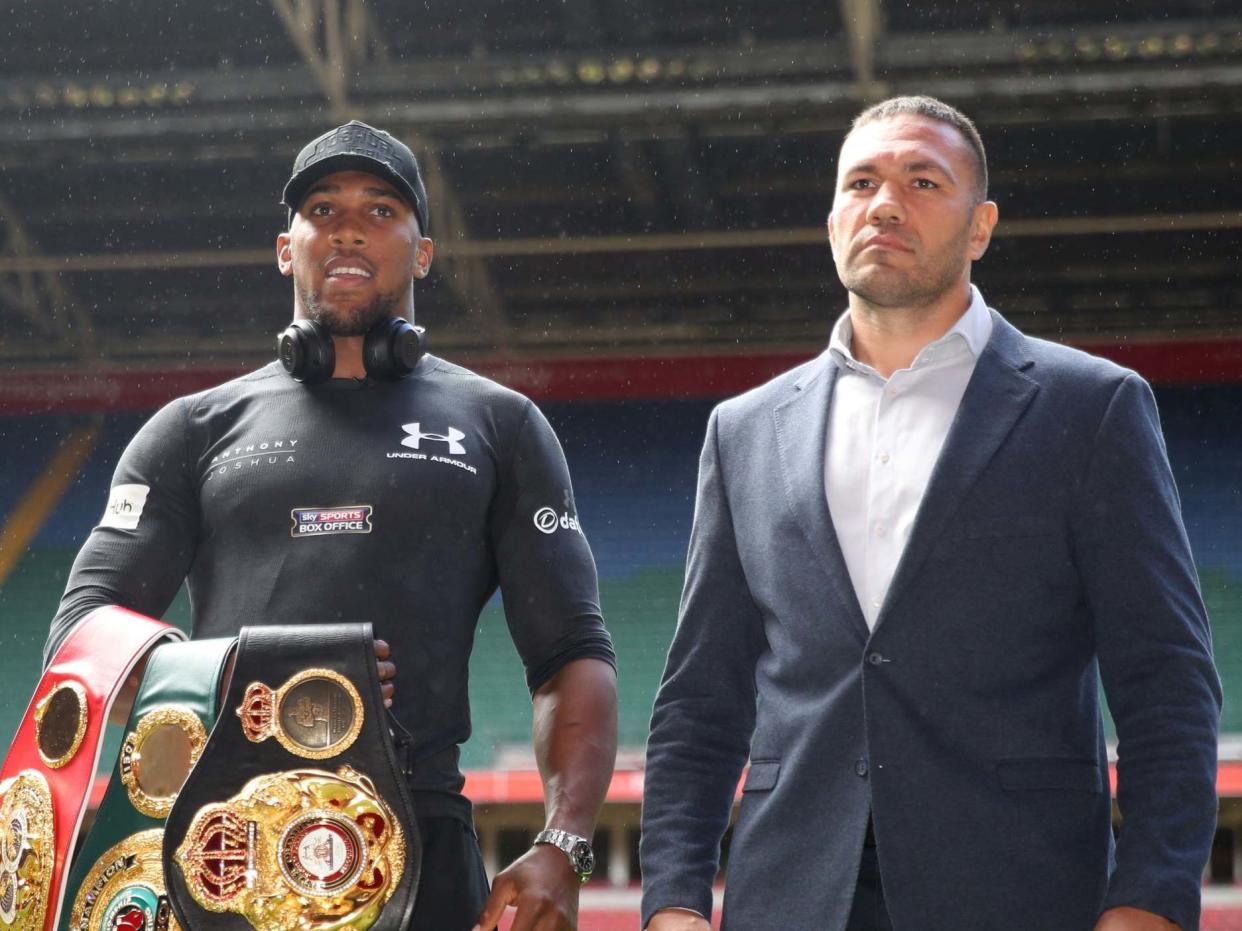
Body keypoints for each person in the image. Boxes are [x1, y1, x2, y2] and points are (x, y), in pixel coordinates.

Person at [639, 96, 1220, 931]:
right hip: (791, 897)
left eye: (922, 180)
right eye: (862, 182)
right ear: (832, 217)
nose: (884, 203)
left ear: (980, 226)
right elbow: (701, 699)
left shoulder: (1092, 408)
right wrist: (673, 899)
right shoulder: (743, 430)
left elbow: (1167, 682)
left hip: (1022, 892)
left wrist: (1151, 899)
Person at [45, 120, 619, 931]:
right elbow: (82, 629)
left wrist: (563, 842)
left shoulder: (501, 425)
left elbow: (572, 653)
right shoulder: (190, 429)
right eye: (323, 208)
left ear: (423, 252)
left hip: (423, 846)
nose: (349, 226)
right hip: (224, 843)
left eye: (382, 209)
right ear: (288, 247)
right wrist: (243, 680)